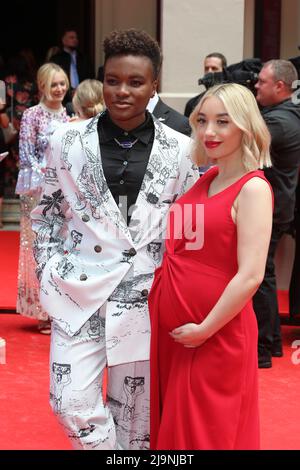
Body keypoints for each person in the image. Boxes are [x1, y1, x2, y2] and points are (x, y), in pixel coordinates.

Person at [31, 28, 198, 450]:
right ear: (102, 79)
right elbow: (46, 211)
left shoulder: (181, 149)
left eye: (135, 82)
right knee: (69, 402)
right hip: (77, 290)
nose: (122, 91)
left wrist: (183, 293)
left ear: (154, 86)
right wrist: (47, 270)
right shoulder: (65, 140)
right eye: (113, 80)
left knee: (135, 416)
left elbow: (190, 227)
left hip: (144, 297)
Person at [149, 83, 273, 450]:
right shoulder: (208, 177)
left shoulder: (253, 189)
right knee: (177, 431)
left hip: (216, 335)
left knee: (206, 433)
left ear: (245, 125)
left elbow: (250, 274)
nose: (209, 132)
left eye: (223, 121)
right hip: (179, 333)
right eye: (202, 121)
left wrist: (205, 328)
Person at [253, 59, 300, 368]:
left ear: (280, 86)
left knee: (260, 276)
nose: (256, 85)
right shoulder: (287, 116)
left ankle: (265, 347)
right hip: (278, 205)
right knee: (264, 274)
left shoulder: (280, 122)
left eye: (262, 82)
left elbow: (245, 149)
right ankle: (270, 345)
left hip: (271, 207)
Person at [16, 63, 69, 334]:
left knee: (61, 250)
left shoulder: (68, 115)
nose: (59, 89)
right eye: (54, 84)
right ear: (42, 87)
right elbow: (26, 155)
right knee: (38, 250)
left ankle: (60, 308)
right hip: (37, 192)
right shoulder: (32, 115)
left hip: (63, 194)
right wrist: (48, 181)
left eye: (63, 83)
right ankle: (41, 311)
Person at [51, 29, 94, 99]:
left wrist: (81, 90)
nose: (75, 40)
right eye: (71, 37)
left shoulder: (84, 58)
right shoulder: (56, 59)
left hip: (83, 95)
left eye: (76, 38)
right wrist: (70, 92)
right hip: (63, 96)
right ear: (64, 40)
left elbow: (91, 77)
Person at [184, 52, 227, 118]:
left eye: (214, 68)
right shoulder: (193, 103)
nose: (209, 71)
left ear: (224, 71)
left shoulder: (233, 101)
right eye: (206, 68)